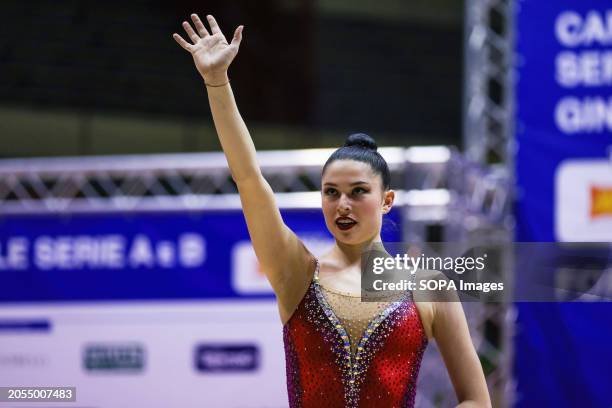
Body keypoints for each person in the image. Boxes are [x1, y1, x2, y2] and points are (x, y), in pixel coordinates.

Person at [173, 13, 491, 408]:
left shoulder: (428, 286)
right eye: (331, 193)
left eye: (358, 192)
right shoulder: (296, 271)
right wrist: (217, 83)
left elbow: (477, 400)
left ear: (387, 200)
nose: (343, 204)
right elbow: (249, 178)